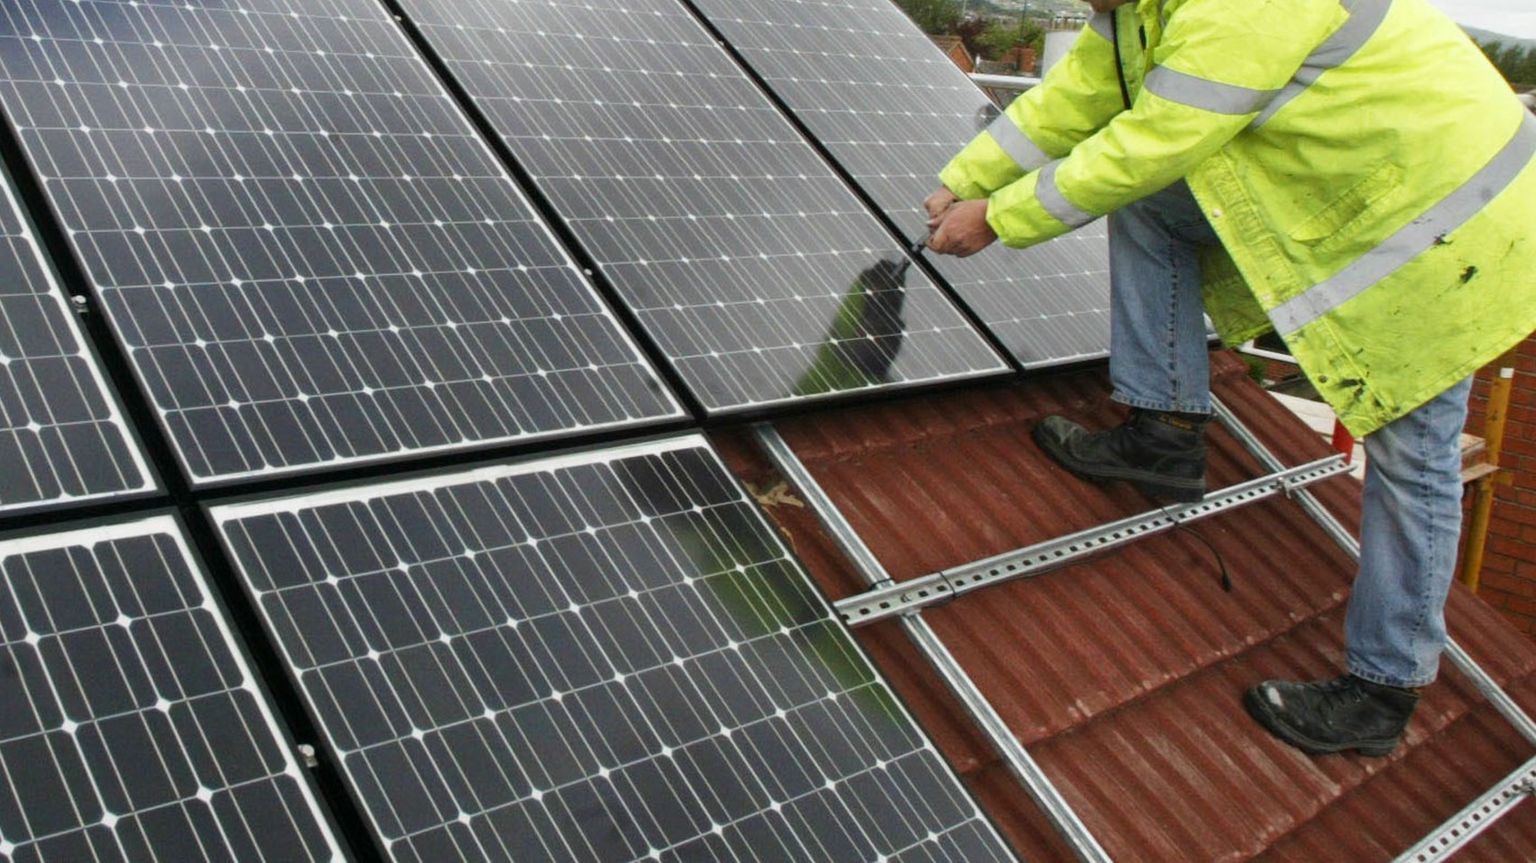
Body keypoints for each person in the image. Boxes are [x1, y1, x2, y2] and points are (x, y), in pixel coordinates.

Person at [925, 0, 1536, 756]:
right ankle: (1166, 430)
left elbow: (1154, 141)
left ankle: (1383, 687)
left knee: (1414, 460)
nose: (1085, 5)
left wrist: (1001, 217)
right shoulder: (1140, 9)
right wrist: (963, 179)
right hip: (1369, 186)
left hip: (1449, 226)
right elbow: (1083, 94)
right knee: (1156, 210)